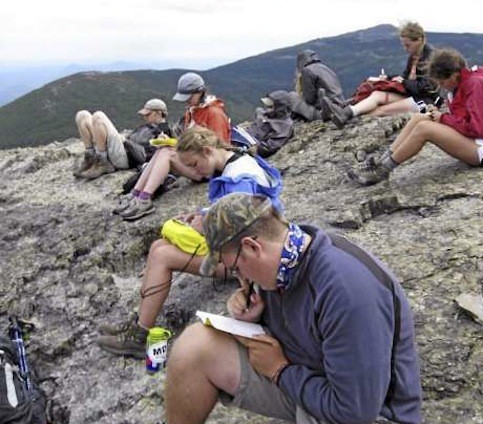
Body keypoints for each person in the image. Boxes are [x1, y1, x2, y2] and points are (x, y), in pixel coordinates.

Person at [163, 192, 422, 424]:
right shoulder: (284, 262)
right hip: (310, 379)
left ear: (252, 247)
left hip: (362, 414)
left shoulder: (346, 291)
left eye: (235, 267)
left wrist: (279, 371)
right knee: (195, 346)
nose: (240, 277)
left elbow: (354, 411)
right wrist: (255, 319)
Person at [96, 127, 283, 358]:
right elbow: (230, 209)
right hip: (244, 252)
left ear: (207, 151)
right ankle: (140, 324)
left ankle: (140, 336)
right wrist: (202, 214)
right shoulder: (234, 162)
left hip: (244, 262)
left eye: (194, 164)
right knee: (158, 247)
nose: (195, 171)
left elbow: (236, 234)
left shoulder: (239, 179)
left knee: (163, 255)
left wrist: (205, 225)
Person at [347, 47, 483, 186]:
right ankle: (380, 162)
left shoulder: (476, 85)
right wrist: (439, 115)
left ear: (454, 74)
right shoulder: (462, 84)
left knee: (425, 129)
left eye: (442, 81)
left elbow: (477, 128)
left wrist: (442, 118)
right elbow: (466, 120)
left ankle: (382, 171)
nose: (441, 86)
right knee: (420, 118)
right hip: (477, 141)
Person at [115, 72, 232, 221]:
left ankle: (144, 199)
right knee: (163, 150)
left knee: (168, 154)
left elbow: (219, 148)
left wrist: (177, 145)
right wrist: (171, 141)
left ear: (200, 92)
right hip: (196, 163)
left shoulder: (214, 113)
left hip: (208, 168)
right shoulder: (193, 111)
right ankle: (136, 195)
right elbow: (189, 140)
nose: (186, 102)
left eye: (189, 97)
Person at [321, 21, 439, 128]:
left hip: (424, 101)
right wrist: (389, 78)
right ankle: (346, 112)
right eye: (404, 45)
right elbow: (405, 77)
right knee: (377, 94)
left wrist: (403, 82)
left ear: (419, 39)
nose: (405, 48)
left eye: (407, 45)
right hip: (412, 95)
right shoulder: (414, 57)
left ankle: (345, 118)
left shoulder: (431, 58)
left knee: (381, 110)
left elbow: (426, 88)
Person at [73, 98, 172, 180]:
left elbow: (144, 157)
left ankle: (103, 162)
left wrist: (124, 141)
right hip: (120, 150)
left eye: (147, 114)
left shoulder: (162, 132)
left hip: (126, 158)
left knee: (99, 116)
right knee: (82, 115)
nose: (144, 117)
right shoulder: (148, 126)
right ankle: (90, 157)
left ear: (158, 113)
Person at [287, 49, 345, 122]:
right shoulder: (326, 68)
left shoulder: (307, 71)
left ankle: (319, 115)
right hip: (339, 105)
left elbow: (309, 99)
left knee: (292, 96)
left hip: (323, 110)